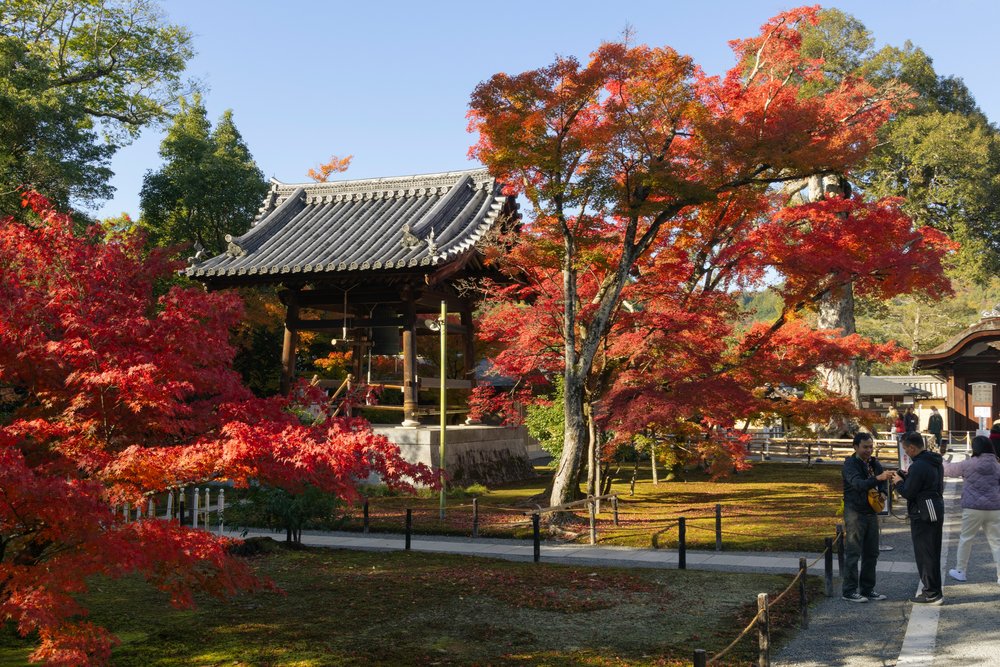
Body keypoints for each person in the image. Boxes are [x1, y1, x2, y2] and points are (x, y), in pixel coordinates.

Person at [892, 432, 945, 604]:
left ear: (912, 448)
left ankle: (931, 592)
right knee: (933, 550)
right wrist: (906, 477)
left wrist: (898, 482)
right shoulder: (934, 461)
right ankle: (934, 589)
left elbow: (908, 492)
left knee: (925, 553)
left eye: (905, 449)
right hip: (935, 505)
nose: (905, 452)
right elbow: (926, 483)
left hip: (923, 511)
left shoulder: (918, 466)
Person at [841, 432, 894, 602]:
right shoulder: (850, 465)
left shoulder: (873, 462)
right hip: (855, 512)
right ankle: (849, 591)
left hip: (871, 512)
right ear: (855, 447)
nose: (869, 450)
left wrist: (885, 492)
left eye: (871, 447)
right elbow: (858, 484)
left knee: (872, 553)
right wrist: (878, 477)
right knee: (853, 552)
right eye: (865, 447)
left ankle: (867, 589)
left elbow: (884, 481)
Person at [942, 435, 1000, 585]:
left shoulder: (968, 464)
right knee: (996, 542)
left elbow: (948, 470)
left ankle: (960, 571)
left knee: (966, 539)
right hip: (994, 508)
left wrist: (942, 460)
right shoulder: (997, 465)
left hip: (972, 508)